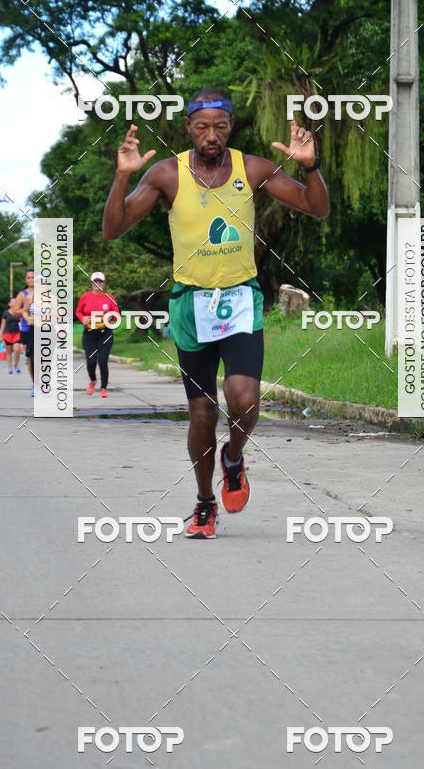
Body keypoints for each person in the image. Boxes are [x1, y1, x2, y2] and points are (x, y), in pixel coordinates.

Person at [102, 89, 329, 539]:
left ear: (230, 128)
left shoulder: (253, 168)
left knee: (244, 400)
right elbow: (113, 229)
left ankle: (234, 457)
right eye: (202, 127)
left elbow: (315, 207)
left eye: (220, 127)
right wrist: (122, 177)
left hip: (241, 298)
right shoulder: (166, 174)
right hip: (190, 306)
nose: (212, 135)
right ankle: (205, 501)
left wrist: (309, 166)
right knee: (202, 414)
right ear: (188, 127)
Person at [75, 272, 120, 398]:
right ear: (92, 283)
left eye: (100, 281)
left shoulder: (110, 297)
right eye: (95, 281)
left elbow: (117, 315)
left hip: (105, 333)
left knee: (103, 360)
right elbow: (78, 311)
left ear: (104, 283)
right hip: (89, 334)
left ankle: (103, 388)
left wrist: (108, 317)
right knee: (91, 361)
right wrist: (82, 318)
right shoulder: (85, 297)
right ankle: (93, 380)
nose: (98, 284)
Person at [12, 269, 35, 392]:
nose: (31, 279)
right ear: (26, 280)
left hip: (43, 329)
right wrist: (26, 311)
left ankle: (43, 382)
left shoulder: (45, 293)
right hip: (27, 329)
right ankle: (34, 384)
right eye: (29, 277)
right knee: (30, 358)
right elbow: (15, 312)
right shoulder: (22, 294)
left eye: (33, 277)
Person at [0, 298, 21, 374]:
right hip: (8, 334)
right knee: (8, 352)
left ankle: (16, 365)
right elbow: (3, 324)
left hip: (17, 333)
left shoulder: (18, 312)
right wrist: (1, 335)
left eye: (15, 301)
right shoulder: (5, 313)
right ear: (9, 304)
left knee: (17, 350)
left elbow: (21, 323)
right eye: (12, 301)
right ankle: (10, 368)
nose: (14, 303)